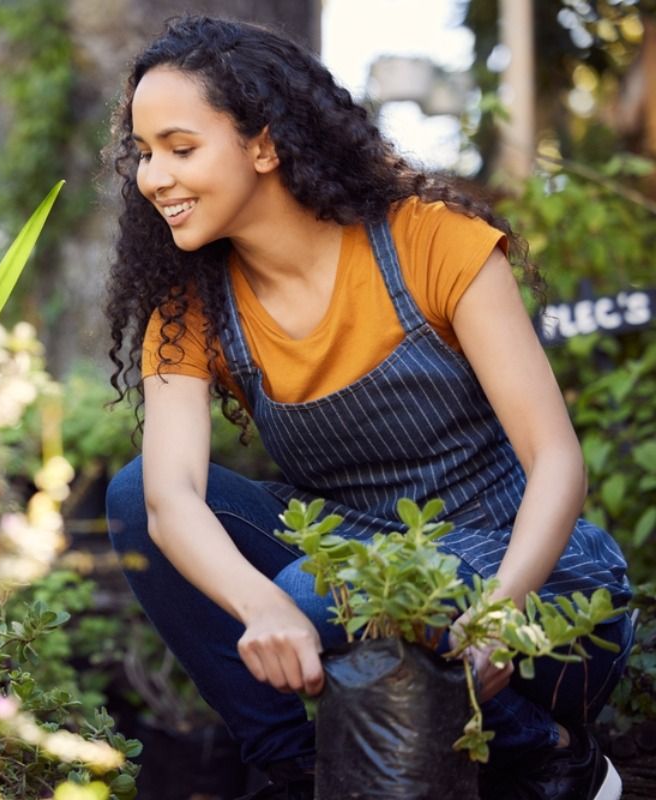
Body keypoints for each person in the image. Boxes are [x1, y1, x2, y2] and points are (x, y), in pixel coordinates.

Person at [102, 15, 633, 800]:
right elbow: (170, 498)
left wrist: (497, 615)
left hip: (535, 578)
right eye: (145, 155)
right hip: (356, 567)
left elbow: (556, 460)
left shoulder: (428, 241)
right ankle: (301, 769)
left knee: (326, 597)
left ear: (263, 144)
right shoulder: (192, 307)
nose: (155, 178)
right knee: (130, 496)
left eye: (181, 149)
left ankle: (549, 750)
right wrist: (261, 608)